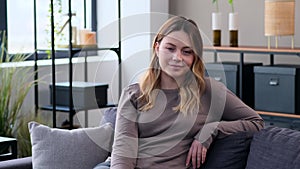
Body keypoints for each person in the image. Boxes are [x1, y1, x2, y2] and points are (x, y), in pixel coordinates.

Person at [94, 16, 264, 169]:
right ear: (157, 47)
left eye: (186, 51)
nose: (178, 57)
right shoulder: (134, 94)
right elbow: (124, 152)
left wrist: (211, 130)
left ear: (194, 57)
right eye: (171, 48)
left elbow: (256, 122)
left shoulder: (209, 91)